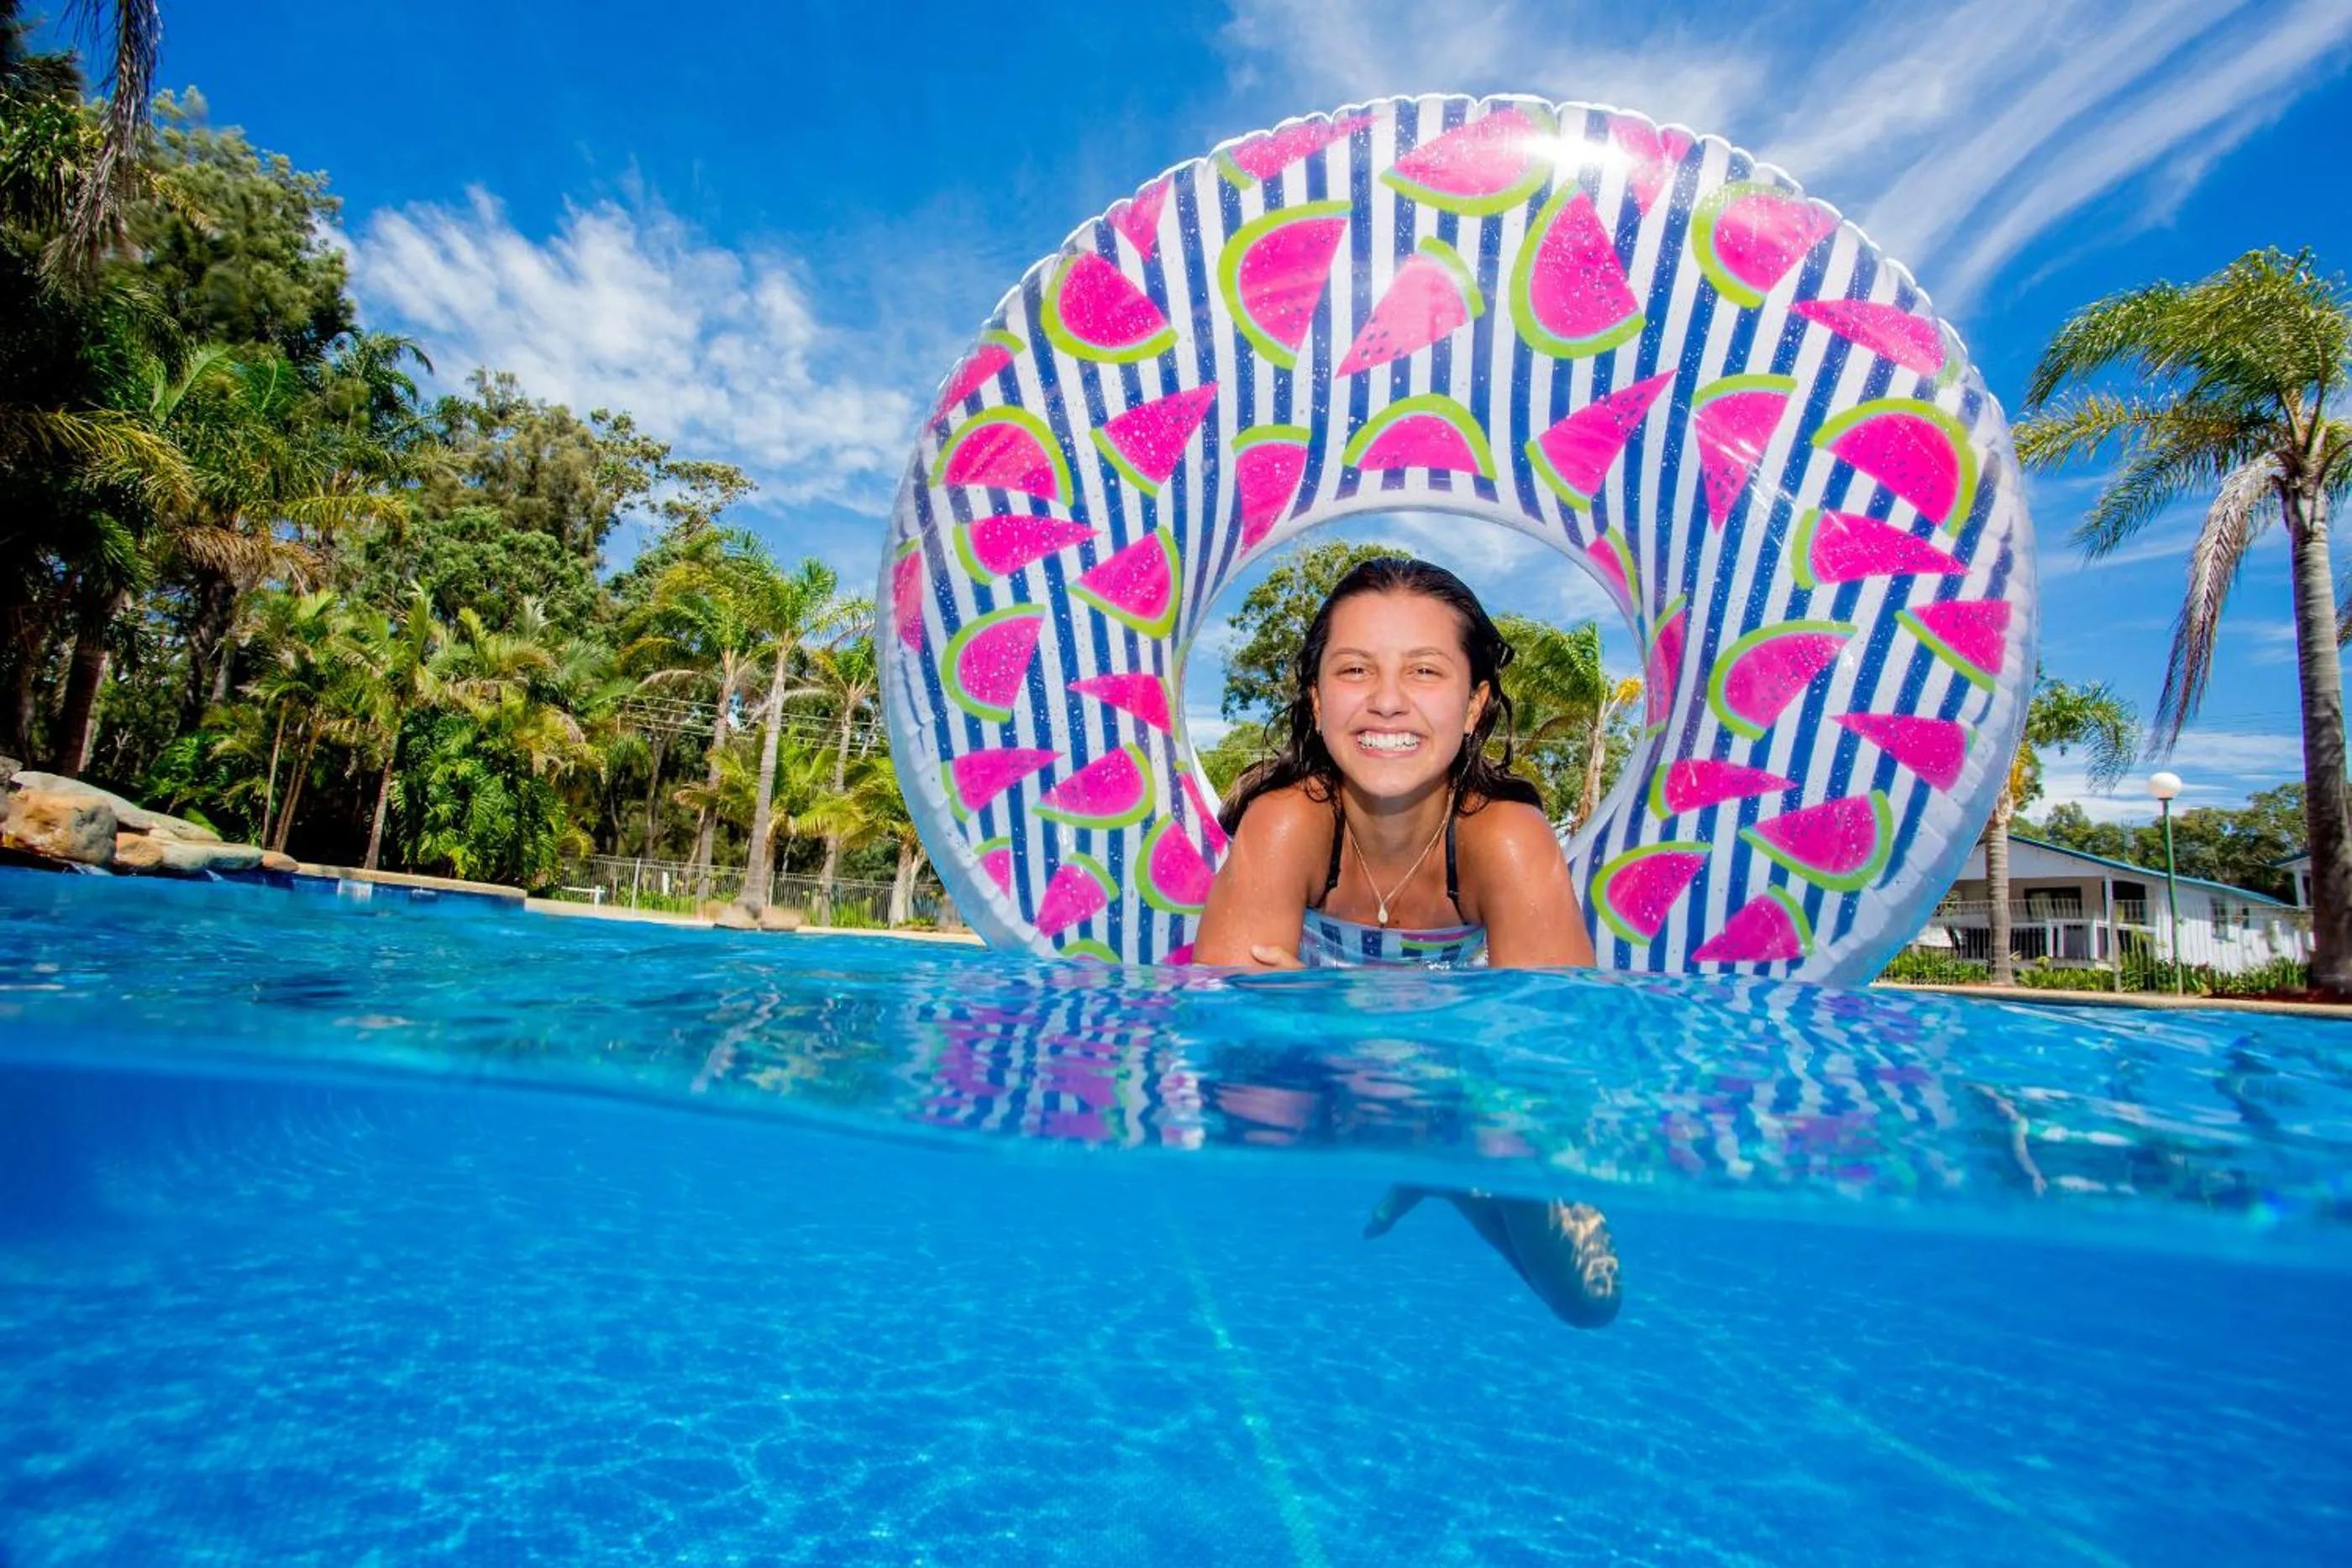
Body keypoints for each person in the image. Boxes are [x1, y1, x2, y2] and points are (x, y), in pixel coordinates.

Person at [1193, 556, 1622, 1329]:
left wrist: (1342, 1026)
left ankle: (1442, 1165)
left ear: (1474, 703)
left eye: (1425, 671)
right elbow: (1226, 1045)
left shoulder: (1505, 840)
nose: (1387, 701)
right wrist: (1373, 1053)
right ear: (1318, 699)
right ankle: (1429, 1153)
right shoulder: (1287, 824)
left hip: (1458, 1089)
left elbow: (1552, 1057)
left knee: (1588, 1297)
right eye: (1355, 670)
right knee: (1259, 1115)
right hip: (1328, 1094)